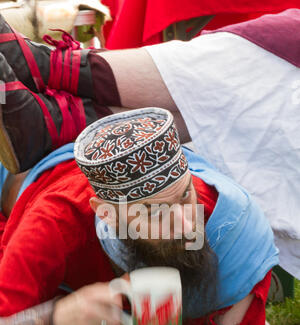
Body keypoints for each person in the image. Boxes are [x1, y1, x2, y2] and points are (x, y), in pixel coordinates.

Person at [0, 46, 278, 325]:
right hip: (50, 215)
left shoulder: (232, 225)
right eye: (152, 211)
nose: (187, 224)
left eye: (184, 197)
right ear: (107, 213)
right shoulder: (53, 223)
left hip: (167, 296)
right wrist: (53, 321)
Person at [1, 9, 299, 280]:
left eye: (184, 199)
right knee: (283, 46)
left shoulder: (238, 227)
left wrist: (61, 319)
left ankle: (51, 98)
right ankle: (51, 110)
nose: (186, 224)